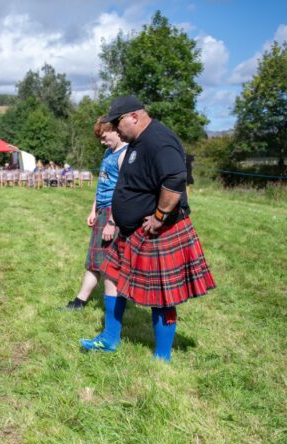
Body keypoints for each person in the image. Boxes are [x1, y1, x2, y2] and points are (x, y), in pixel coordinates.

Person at [80, 95, 215, 362]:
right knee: (111, 275)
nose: (116, 129)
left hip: (157, 231)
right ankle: (109, 338)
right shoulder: (136, 141)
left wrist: (160, 216)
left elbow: (175, 179)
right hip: (129, 230)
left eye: (117, 123)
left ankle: (162, 357)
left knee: (163, 294)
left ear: (134, 116)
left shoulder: (158, 140)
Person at [66, 116, 129, 310]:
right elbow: (102, 184)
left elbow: (123, 191)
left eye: (104, 137)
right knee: (94, 259)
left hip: (113, 212)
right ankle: (79, 301)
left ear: (115, 130)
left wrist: (112, 221)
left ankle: (110, 306)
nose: (102, 142)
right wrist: (93, 209)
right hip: (102, 210)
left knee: (108, 262)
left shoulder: (124, 154)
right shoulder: (108, 153)